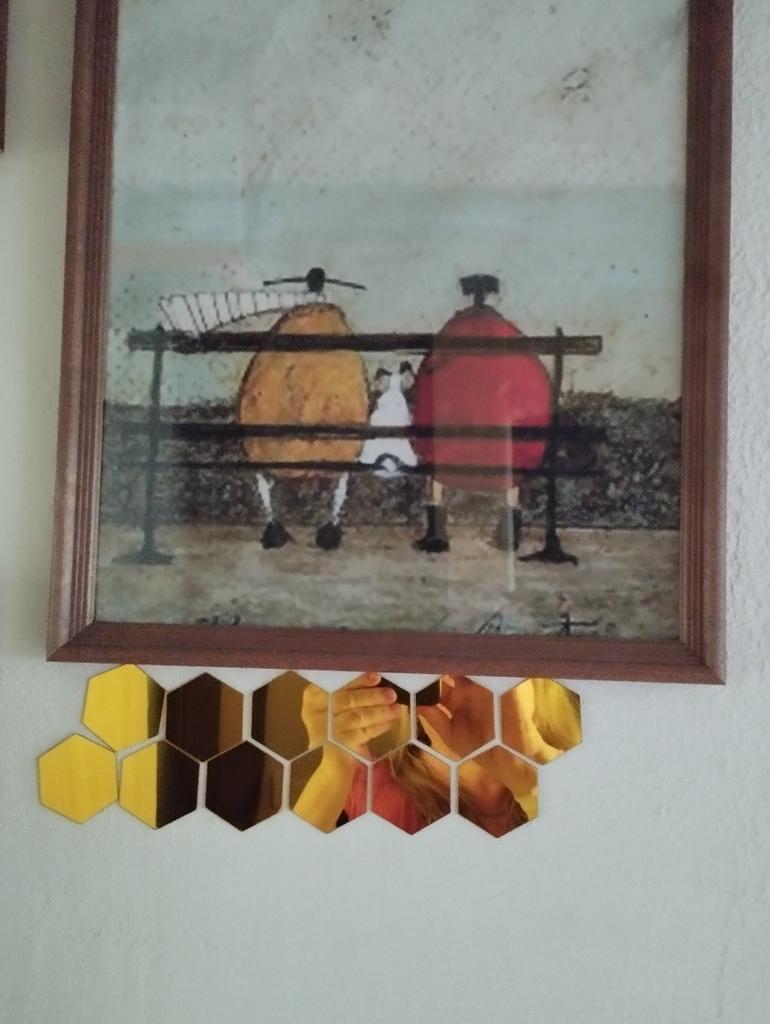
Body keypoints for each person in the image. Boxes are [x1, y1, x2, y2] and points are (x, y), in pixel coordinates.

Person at [292, 673, 580, 835]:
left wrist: (531, 775)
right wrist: (335, 765)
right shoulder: (369, 787)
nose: (460, 685)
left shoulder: (587, 772)